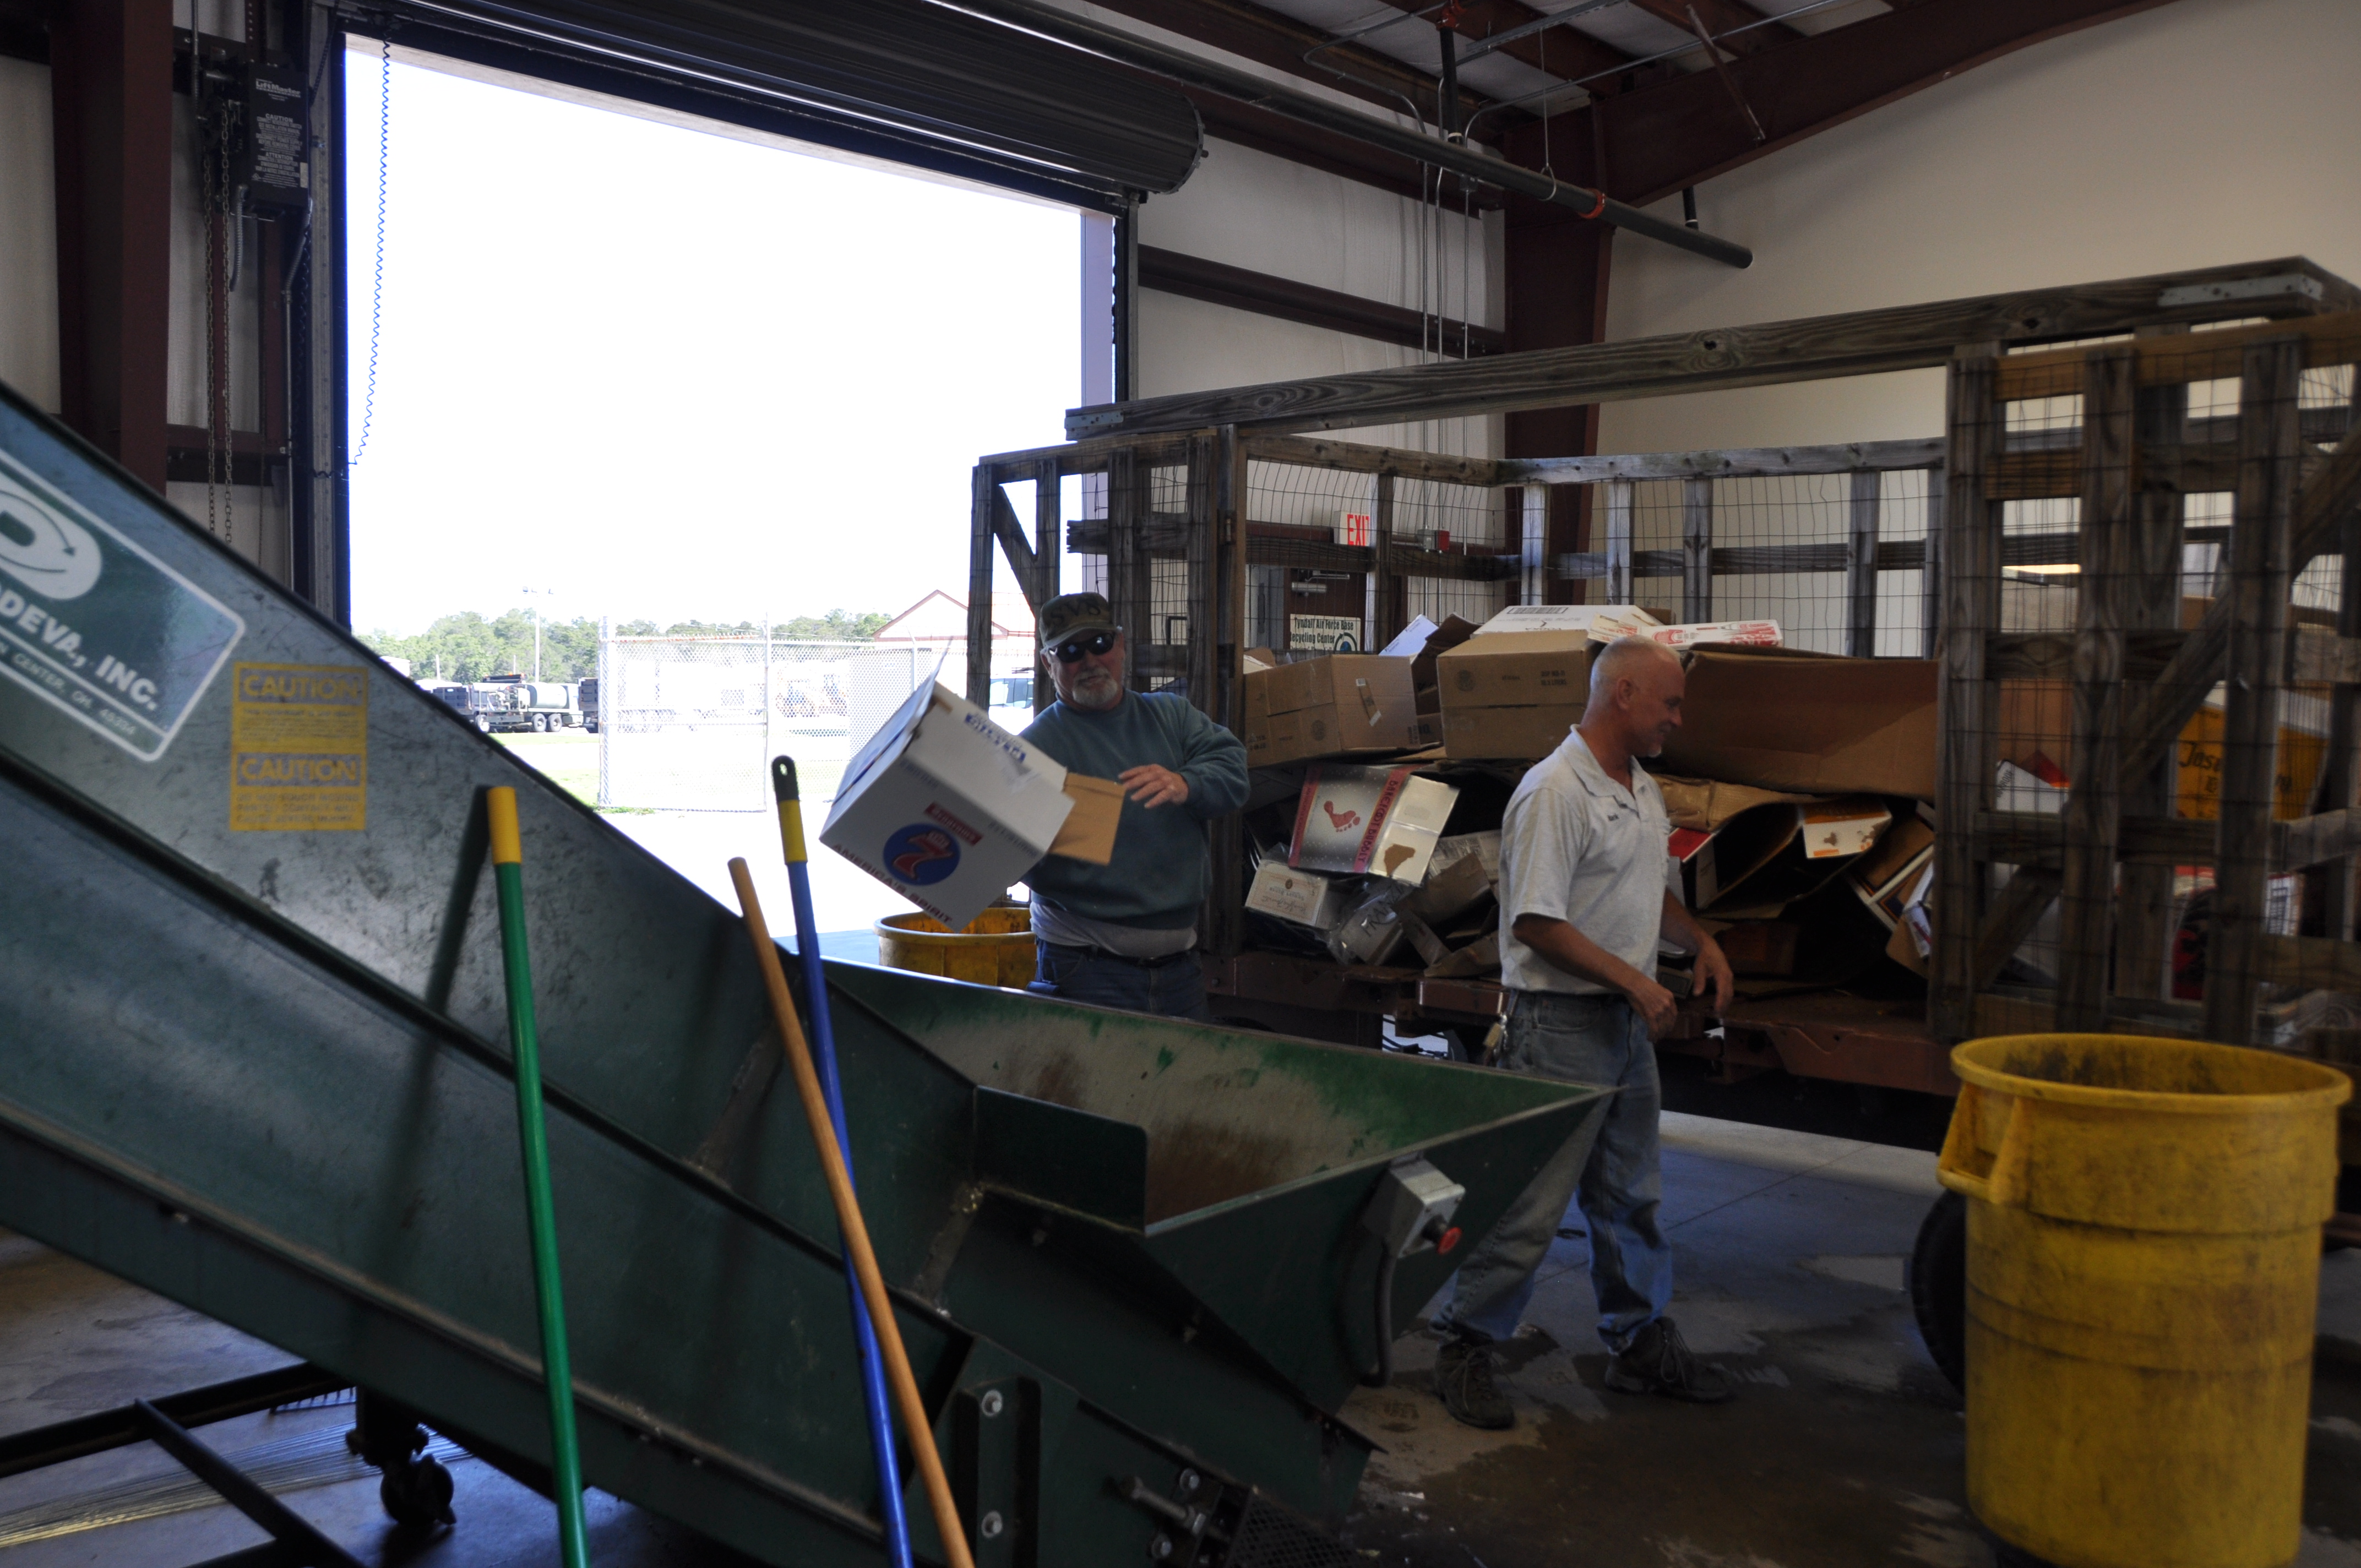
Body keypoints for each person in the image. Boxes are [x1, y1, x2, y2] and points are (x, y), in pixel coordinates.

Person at [1430, 634, 1737, 1429]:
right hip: (1558, 1028)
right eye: (1669, 703)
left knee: (1632, 1197)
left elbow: (1650, 892)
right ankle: (1464, 1345)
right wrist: (1636, 980)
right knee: (1530, 1208)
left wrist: (1697, 942)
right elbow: (1534, 921)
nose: (1678, 719)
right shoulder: (1553, 791)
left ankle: (1637, 1342)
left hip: (1624, 1030)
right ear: (1624, 694)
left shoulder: (1639, 788)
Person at [1016, 592, 1249, 1020]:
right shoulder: (1032, 751)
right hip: (1083, 968)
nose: (1089, 660)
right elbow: (1005, 854)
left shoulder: (1172, 716)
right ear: (1049, 665)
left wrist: (1188, 783)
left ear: (1121, 645)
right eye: (1070, 651)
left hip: (1180, 968)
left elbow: (1234, 773)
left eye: (1100, 644)